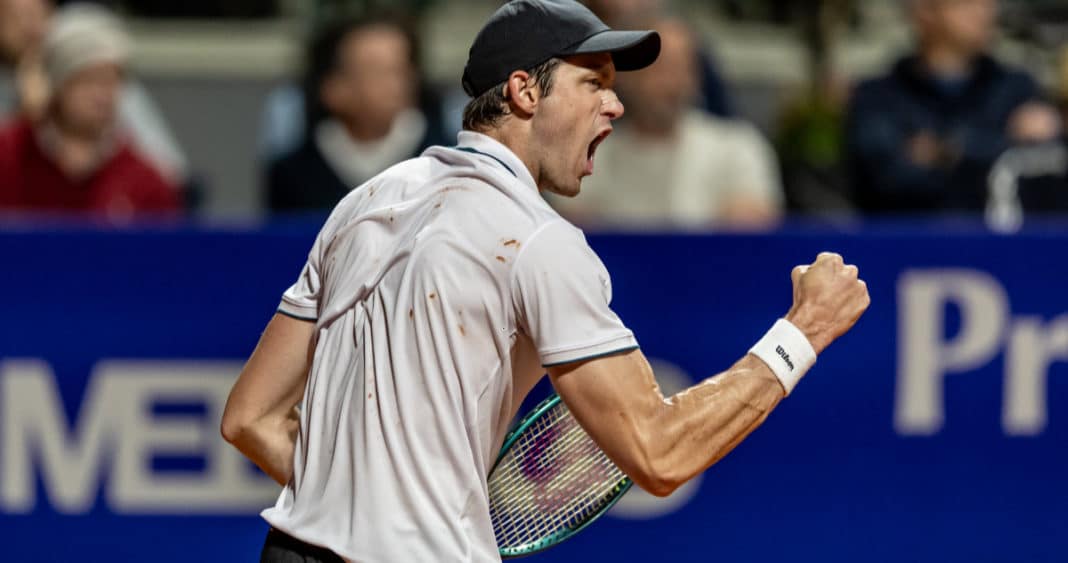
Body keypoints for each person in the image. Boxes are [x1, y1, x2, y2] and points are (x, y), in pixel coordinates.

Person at [221, 1, 870, 561]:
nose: (615, 102)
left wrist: (372, 505)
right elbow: (659, 452)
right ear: (526, 92)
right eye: (594, 83)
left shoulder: (367, 199)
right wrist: (803, 331)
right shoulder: (537, 241)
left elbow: (249, 418)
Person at [551, 17, 783, 230]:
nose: (673, 84)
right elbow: (571, 233)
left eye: (683, 68)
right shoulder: (586, 152)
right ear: (625, 76)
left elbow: (755, 234)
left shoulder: (738, 147)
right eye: (660, 69)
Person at [845, 0, 1061, 214]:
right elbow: (887, 181)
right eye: (966, 3)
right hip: (903, 242)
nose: (983, 12)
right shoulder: (878, 97)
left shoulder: (1016, 89)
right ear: (924, 10)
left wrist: (944, 152)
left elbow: (1042, 173)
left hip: (1002, 243)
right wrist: (1001, 147)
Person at [0, 3, 180, 220]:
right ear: (58, 85)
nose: (101, 95)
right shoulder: (9, 157)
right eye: (87, 80)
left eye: (111, 81)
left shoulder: (146, 183)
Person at [265, 15, 446, 212]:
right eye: (376, 70)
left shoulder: (444, 162)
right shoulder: (293, 174)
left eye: (401, 68)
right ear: (332, 87)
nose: (396, 84)